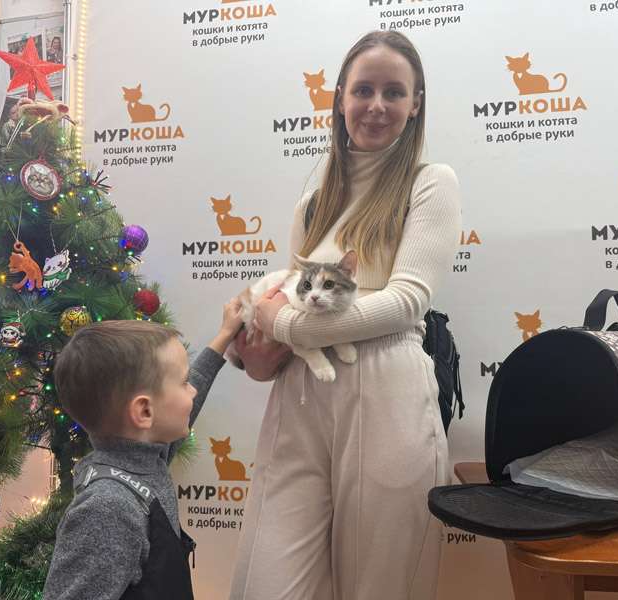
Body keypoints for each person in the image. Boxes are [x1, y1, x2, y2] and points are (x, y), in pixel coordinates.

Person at [229, 30, 462, 600]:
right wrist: (259, 347)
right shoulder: (312, 205)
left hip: (388, 391)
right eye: (363, 90)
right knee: (268, 584)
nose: (376, 105)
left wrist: (281, 323)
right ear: (339, 98)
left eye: (394, 92)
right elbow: (288, 301)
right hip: (299, 395)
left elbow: (407, 300)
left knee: (379, 587)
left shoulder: (430, 183)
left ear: (416, 103)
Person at [43, 300, 243, 600]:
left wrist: (224, 336)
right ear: (145, 412)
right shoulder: (108, 508)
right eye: (183, 383)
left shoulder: (148, 455)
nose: (192, 390)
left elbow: (195, 395)